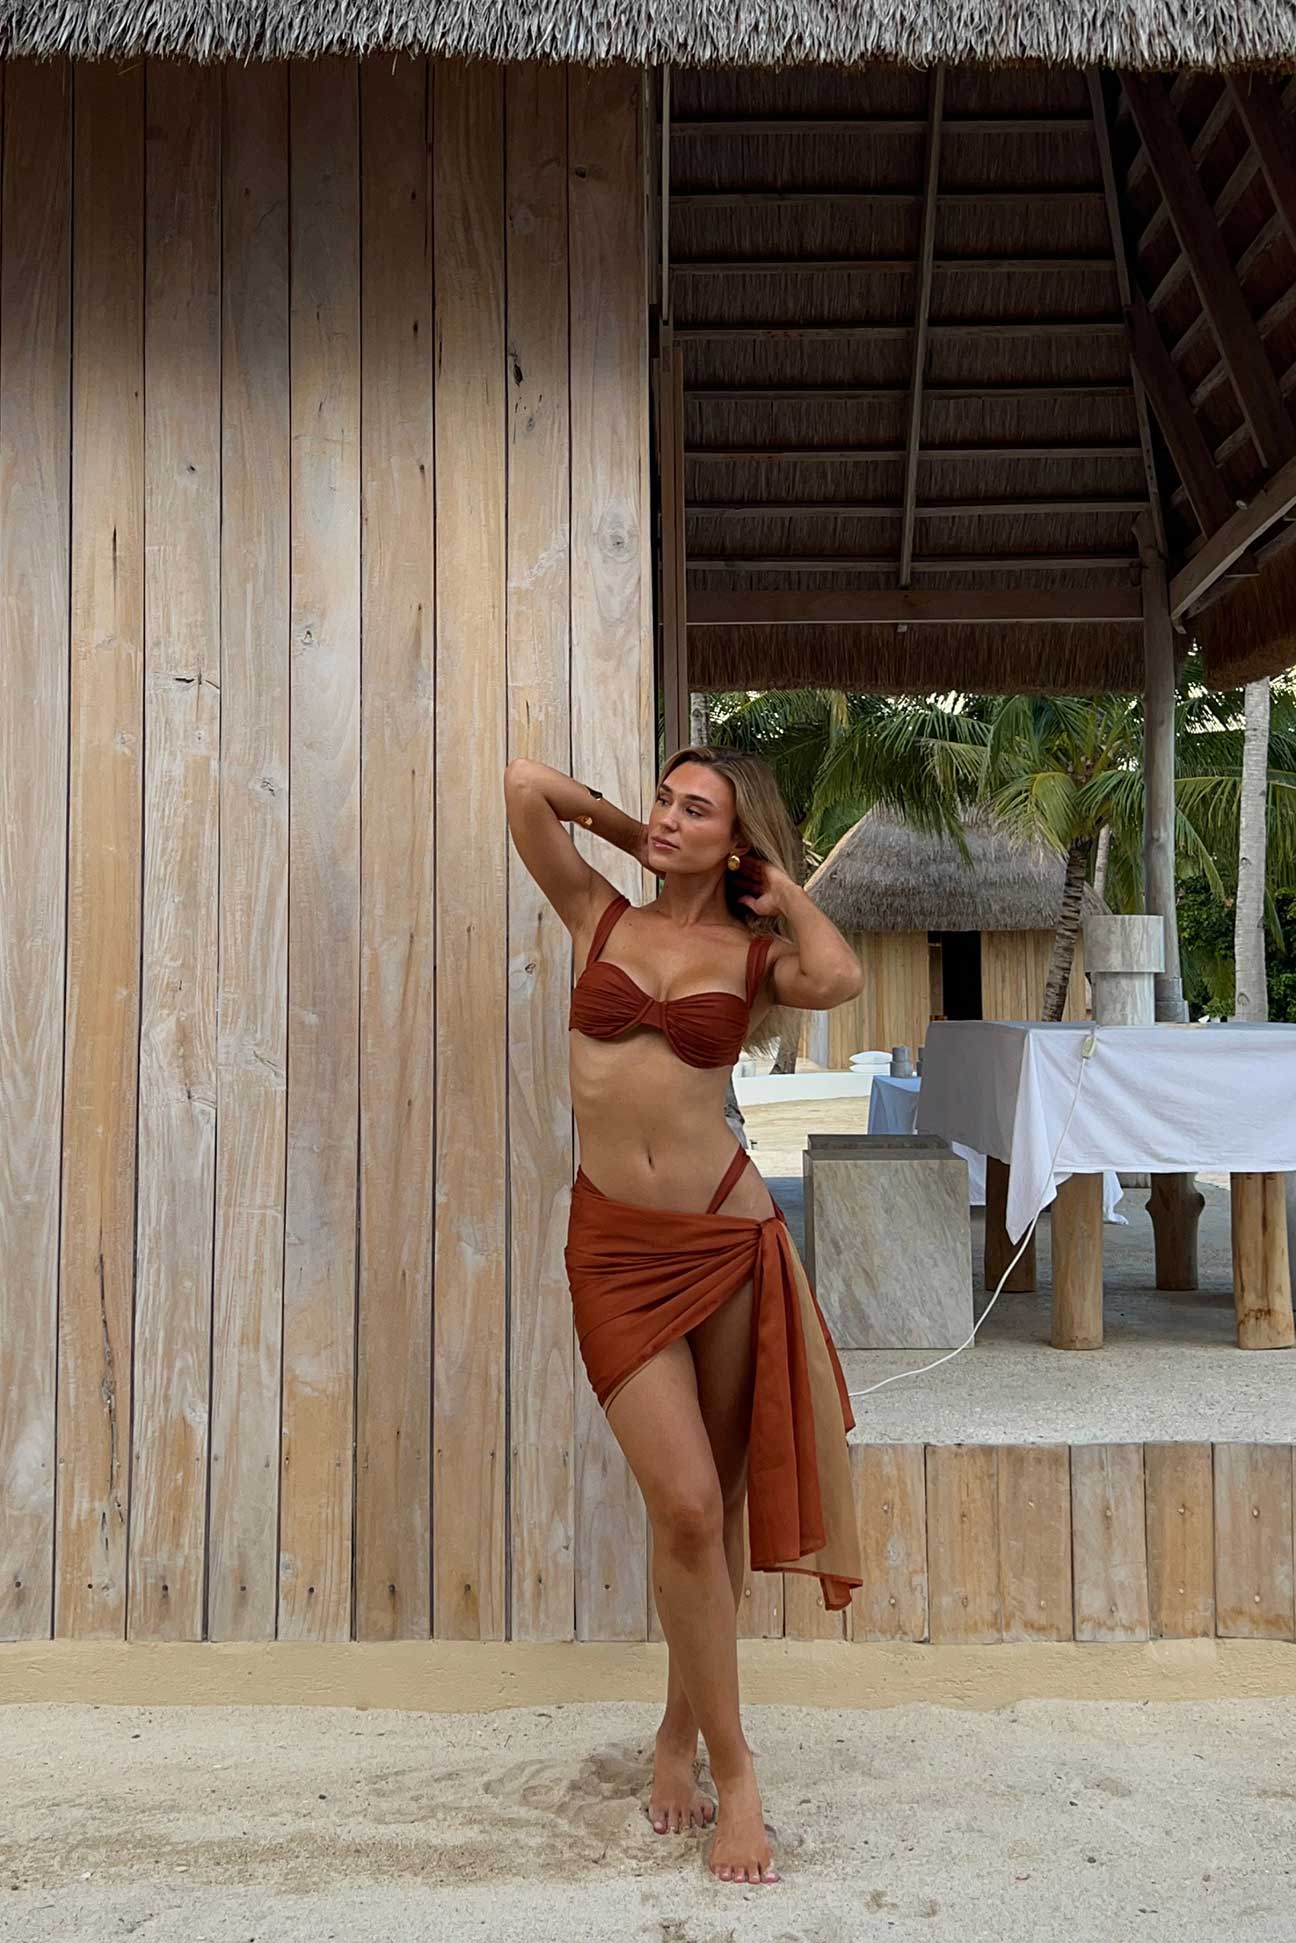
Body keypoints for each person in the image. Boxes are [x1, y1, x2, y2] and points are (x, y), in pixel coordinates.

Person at [503, 745, 864, 1887]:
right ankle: (735, 1756)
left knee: (707, 1513)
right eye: (664, 796)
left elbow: (842, 974)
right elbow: (524, 787)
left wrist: (782, 885)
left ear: (736, 838)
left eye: (690, 808)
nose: (665, 815)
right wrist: (632, 830)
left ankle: (691, 1743)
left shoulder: (755, 957)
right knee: (686, 1498)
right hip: (614, 1247)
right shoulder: (597, 916)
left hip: (724, 1231)